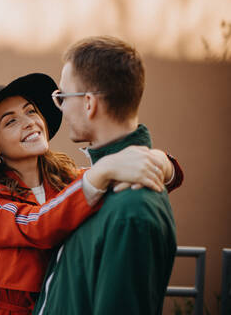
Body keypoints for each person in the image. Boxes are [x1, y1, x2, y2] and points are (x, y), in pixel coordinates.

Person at [0, 73, 182, 314]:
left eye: (31, 111)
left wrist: (162, 163)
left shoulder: (67, 181)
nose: (29, 122)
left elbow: (140, 179)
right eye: (10, 121)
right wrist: (103, 171)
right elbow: (36, 224)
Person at [33, 36, 180, 315]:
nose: (60, 107)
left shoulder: (132, 211)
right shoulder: (97, 184)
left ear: (89, 103)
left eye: (62, 96)